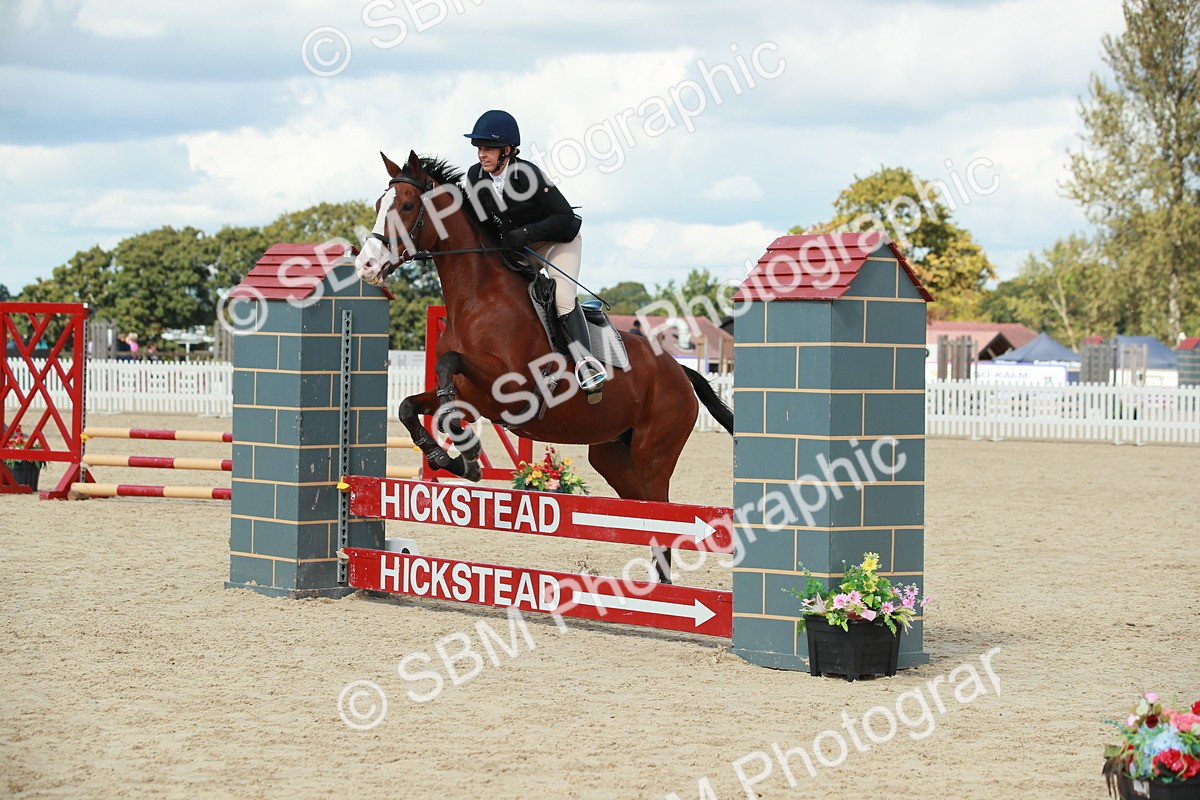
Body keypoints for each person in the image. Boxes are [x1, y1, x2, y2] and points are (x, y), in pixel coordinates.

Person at [463, 110, 605, 397]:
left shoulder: (526, 174)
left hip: (557, 242)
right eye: (479, 148)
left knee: (562, 296)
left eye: (487, 149)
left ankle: (586, 363)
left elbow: (564, 216)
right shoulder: (476, 177)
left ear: (506, 150)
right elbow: (480, 220)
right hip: (520, 247)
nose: (481, 155)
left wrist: (526, 234)